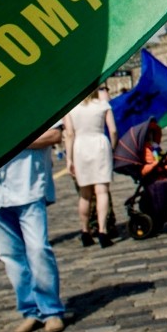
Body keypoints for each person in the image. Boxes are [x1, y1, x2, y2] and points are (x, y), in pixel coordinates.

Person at [0, 126, 68, 332]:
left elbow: (54, 135)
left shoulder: (30, 105)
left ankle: (50, 309)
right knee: (11, 256)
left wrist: (11, 140)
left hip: (26, 185)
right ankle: (30, 309)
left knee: (38, 249)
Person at [65, 85, 117, 248]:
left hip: (80, 146)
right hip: (99, 143)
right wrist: (112, 147)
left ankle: (85, 231)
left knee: (85, 194)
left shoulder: (71, 108)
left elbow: (69, 134)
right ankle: (102, 230)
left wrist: (69, 159)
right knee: (102, 191)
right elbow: (113, 130)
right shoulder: (103, 105)